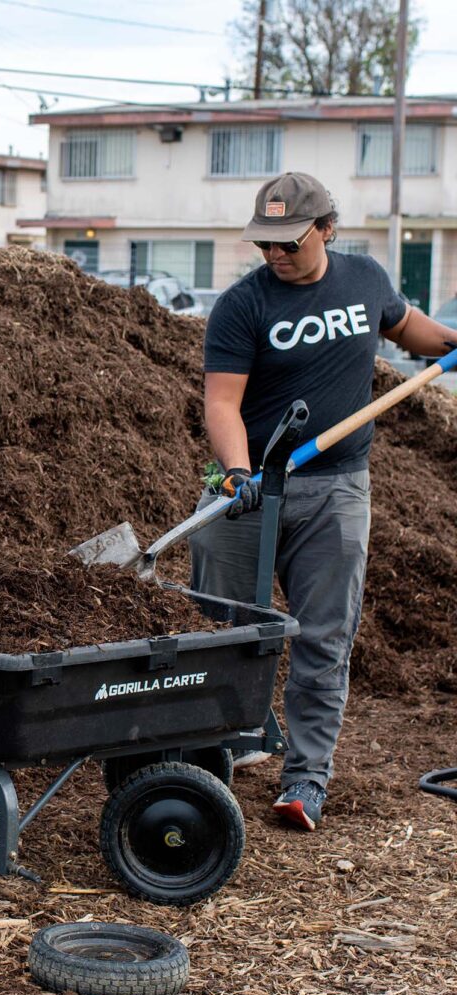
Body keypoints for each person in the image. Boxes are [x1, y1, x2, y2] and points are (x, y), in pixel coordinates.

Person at [190, 171, 456, 832]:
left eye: (290, 243)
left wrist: (451, 343)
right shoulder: (243, 305)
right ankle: (208, 757)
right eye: (266, 245)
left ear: (327, 229)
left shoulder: (364, 279)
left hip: (337, 488)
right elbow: (221, 402)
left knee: (325, 638)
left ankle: (306, 779)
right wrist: (237, 470)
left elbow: (409, 329)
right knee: (219, 632)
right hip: (248, 491)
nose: (276, 255)